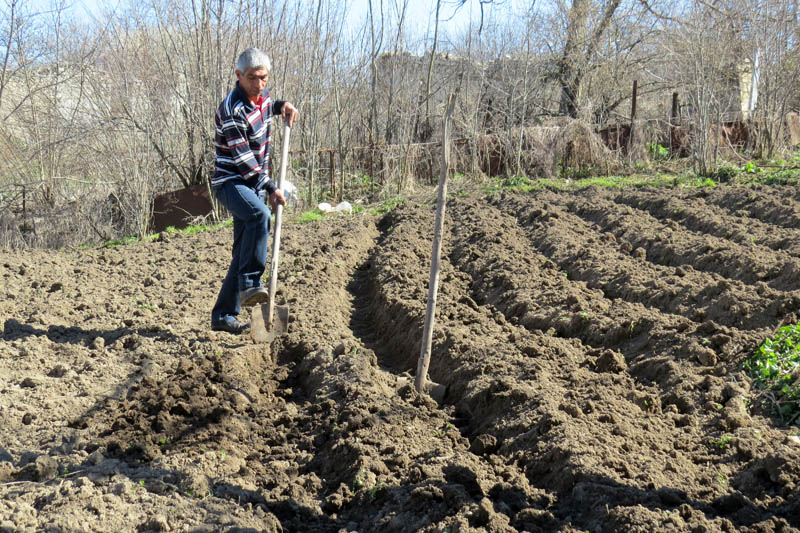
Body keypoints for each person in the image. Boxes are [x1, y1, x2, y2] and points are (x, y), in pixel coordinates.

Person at [210, 47, 299, 334]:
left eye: (264, 78)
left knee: (243, 251)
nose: (259, 84)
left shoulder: (261, 96)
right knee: (261, 216)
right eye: (252, 78)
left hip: (252, 183)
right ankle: (250, 284)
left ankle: (223, 317)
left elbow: (266, 105)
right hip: (231, 183)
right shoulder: (232, 110)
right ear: (239, 75)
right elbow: (245, 163)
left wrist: (282, 105)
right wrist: (272, 188)